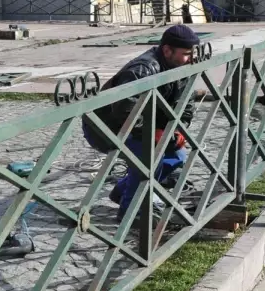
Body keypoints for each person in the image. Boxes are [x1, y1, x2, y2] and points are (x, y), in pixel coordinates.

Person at [81, 25, 201, 217]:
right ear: (167, 50)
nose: (191, 58)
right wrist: (152, 133)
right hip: (107, 128)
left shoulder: (181, 67)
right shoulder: (142, 69)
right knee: (149, 156)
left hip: (145, 127)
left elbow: (185, 105)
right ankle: (131, 211)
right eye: (186, 53)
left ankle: (123, 192)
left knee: (177, 156)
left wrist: (177, 130)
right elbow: (125, 111)